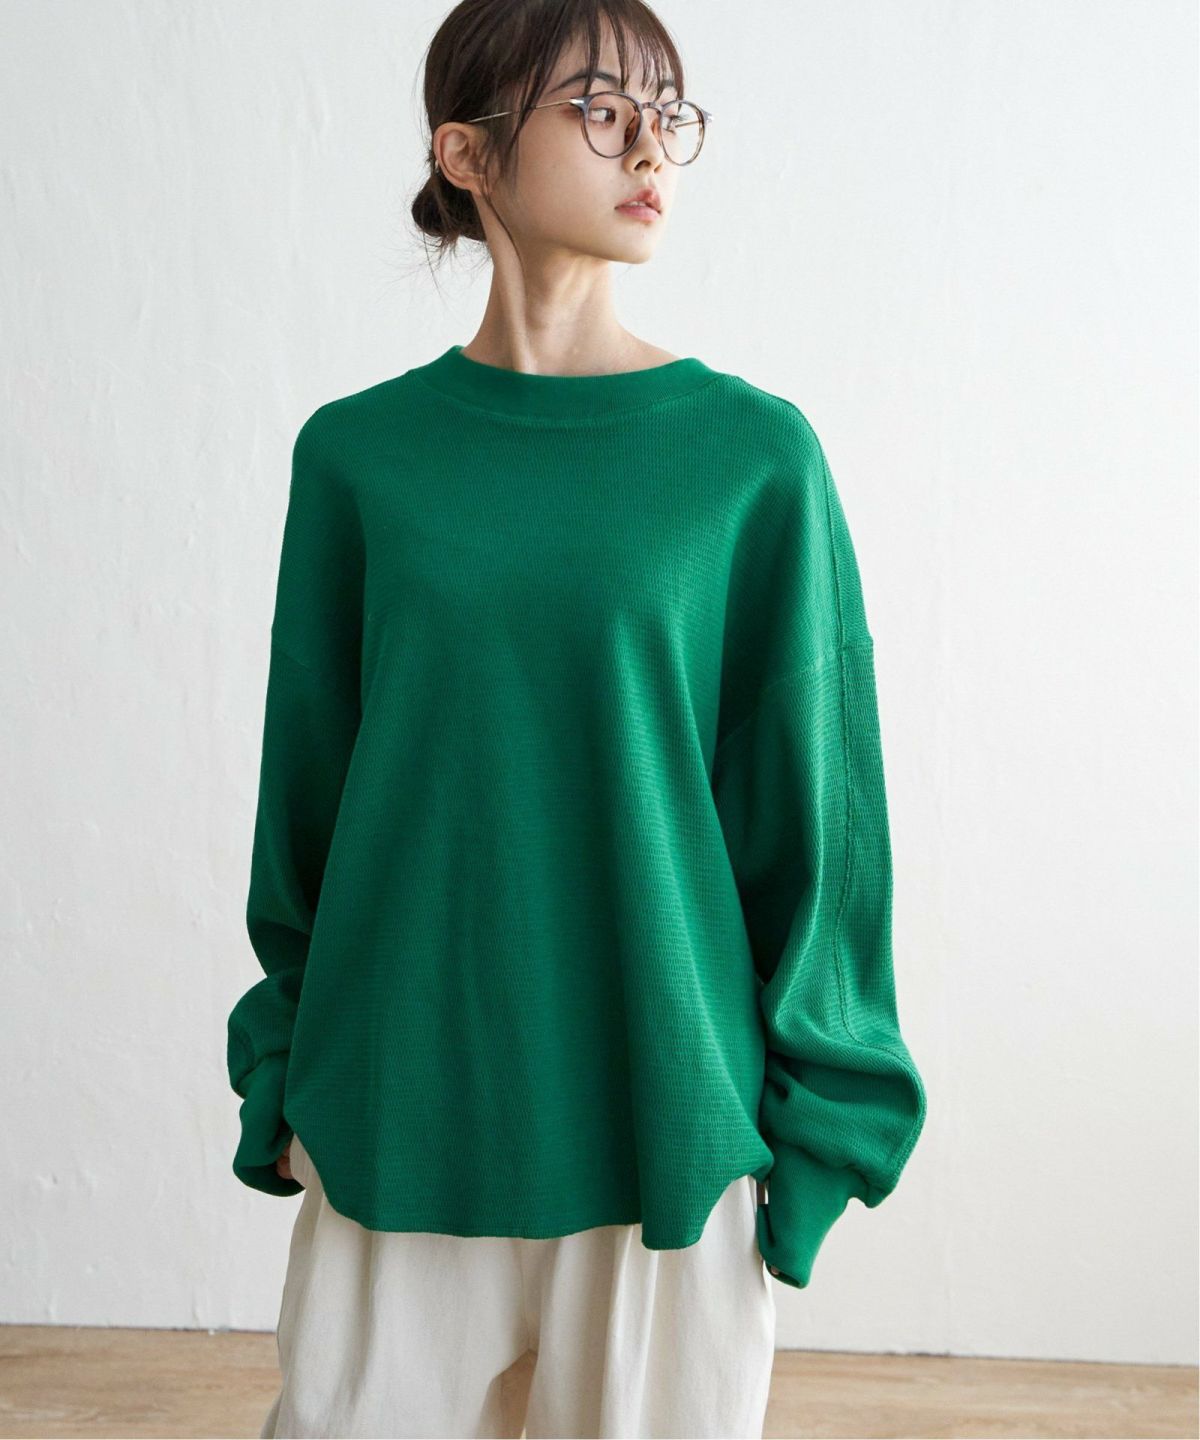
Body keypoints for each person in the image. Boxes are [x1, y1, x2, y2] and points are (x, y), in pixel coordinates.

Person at [226, 2, 928, 1436]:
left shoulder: (749, 459)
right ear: (467, 151)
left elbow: (820, 827)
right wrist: (283, 1073)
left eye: (668, 114)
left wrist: (819, 1139)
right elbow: (309, 800)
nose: (649, 148)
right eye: (601, 109)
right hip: (393, 1109)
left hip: (667, 1131)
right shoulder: (357, 458)